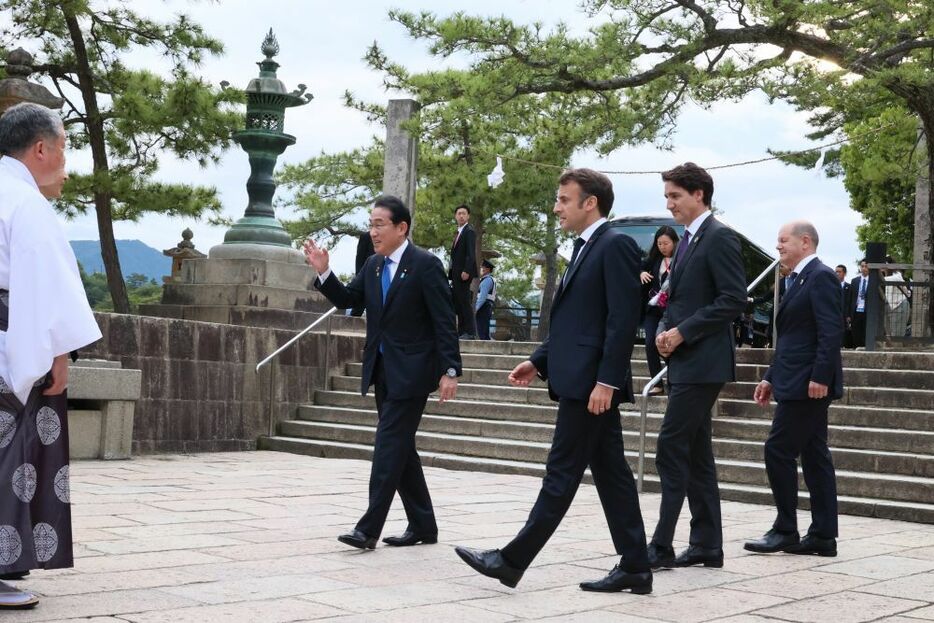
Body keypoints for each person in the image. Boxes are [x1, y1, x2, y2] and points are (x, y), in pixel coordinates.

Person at [454, 168, 652, 594]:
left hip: (591, 387)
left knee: (560, 474)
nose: (557, 206)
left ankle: (511, 560)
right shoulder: (584, 247)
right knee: (613, 476)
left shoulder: (614, 244)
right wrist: (538, 360)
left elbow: (621, 320)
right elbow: (577, 322)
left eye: (564, 199)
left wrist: (608, 382)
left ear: (590, 203)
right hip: (578, 378)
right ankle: (636, 564)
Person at [304, 195, 461, 550]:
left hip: (414, 371)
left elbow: (443, 321)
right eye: (370, 224)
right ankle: (423, 524)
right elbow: (347, 300)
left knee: (388, 445)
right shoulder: (374, 265)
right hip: (382, 369)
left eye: (379, 225)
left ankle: (368, 528)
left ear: (401, 228)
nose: (373, 231)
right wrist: (323, 271)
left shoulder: (426, 265)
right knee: (402, 449)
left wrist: (449, 369)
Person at [0, 103, 103, 610]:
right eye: (63, 146)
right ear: (41, 148)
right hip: (7, 336)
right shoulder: (24, 203)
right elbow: (41, 287)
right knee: (8, 454)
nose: (65, 160)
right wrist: (59, 351)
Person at [652, 162, 746, 569]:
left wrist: (683, 332)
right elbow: (682, 297)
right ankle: (707, 544)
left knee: (670, 446)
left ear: (699, 195)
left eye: (675, 195)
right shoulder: (689, 240)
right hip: (685, 361)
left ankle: (660, 546)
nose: (669, 203)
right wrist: (666, 331)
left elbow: (733, 300)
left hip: (705, 362)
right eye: (668, 195)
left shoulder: (719, 237)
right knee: (696, 453)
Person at [745, 221, 842, 557]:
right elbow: (791, 339)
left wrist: (821, 376)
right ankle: (823, 536)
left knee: (777, 450)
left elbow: (830, 333)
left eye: (783, 241)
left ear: (805, 242)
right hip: (794, 377)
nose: (778, 247)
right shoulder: (797, 279)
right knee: (814, 455)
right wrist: (770, 376)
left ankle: (786, 528)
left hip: (807, 384)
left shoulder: (821, 276)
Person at [640, 226, 679, 394]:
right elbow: (637, 265)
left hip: (671, 310)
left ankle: (674, 379)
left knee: (667, 344)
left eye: (666, 243)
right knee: (650, 342)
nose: (663, 247)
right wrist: (641, 272)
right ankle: (656, 382)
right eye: (659, 243)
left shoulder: (681, 259)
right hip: (654, 309)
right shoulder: (654, 260)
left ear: (674, 242)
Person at [448, 204, 478, 338]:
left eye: (464, 213)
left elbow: (471, 254)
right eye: (459, 213)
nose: (461, 215)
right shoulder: (459, 232)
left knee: (465, 301)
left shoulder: (469, 231)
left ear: (468, 216)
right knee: (458, 302)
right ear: (455, 216)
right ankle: (461, 331)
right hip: (455, 273)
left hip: (464, 273)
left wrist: (467, 270)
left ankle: (470, 332)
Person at [883, 256, 911, 338]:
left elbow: (883, 280)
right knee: (889, 335)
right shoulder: (886, 275)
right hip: (890, 307)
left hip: (899, 305)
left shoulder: (896, 276)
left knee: (897, 335)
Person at [350, 231, 374, 317]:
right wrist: (359, 278)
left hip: (380, 279)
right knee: (357, 308)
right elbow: (359, 258)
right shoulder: (366, 236)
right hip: (365, 278)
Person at [474, 259, 496, 340]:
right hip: (486, 306)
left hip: (484, 306)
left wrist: (476, 308)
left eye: (482, 267)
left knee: (482, 330)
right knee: (483, 330)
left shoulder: (487, 280)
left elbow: (482, 297)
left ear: (487, 269)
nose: (480, 269)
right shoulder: (488, 279)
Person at [849, 260, 869, 348]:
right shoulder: (855, 281)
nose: (864, 268)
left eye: (866, 266)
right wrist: (848, 314)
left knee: (866, 330)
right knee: (856, 331)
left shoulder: (873, 280)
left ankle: (866, 348)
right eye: (862, 266)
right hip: (856, 309)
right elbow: (850, 298)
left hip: (867, 310)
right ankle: (856, 347)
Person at [835, 264, 853, 348]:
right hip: (833, 313)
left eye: (839, 272)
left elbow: (850, 301)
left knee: (844, 331)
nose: (837, 273)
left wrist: (849, 315)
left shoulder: (849, 287)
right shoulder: (831, 286)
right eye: (836, 271)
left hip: (844, 314)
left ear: (844, 273)